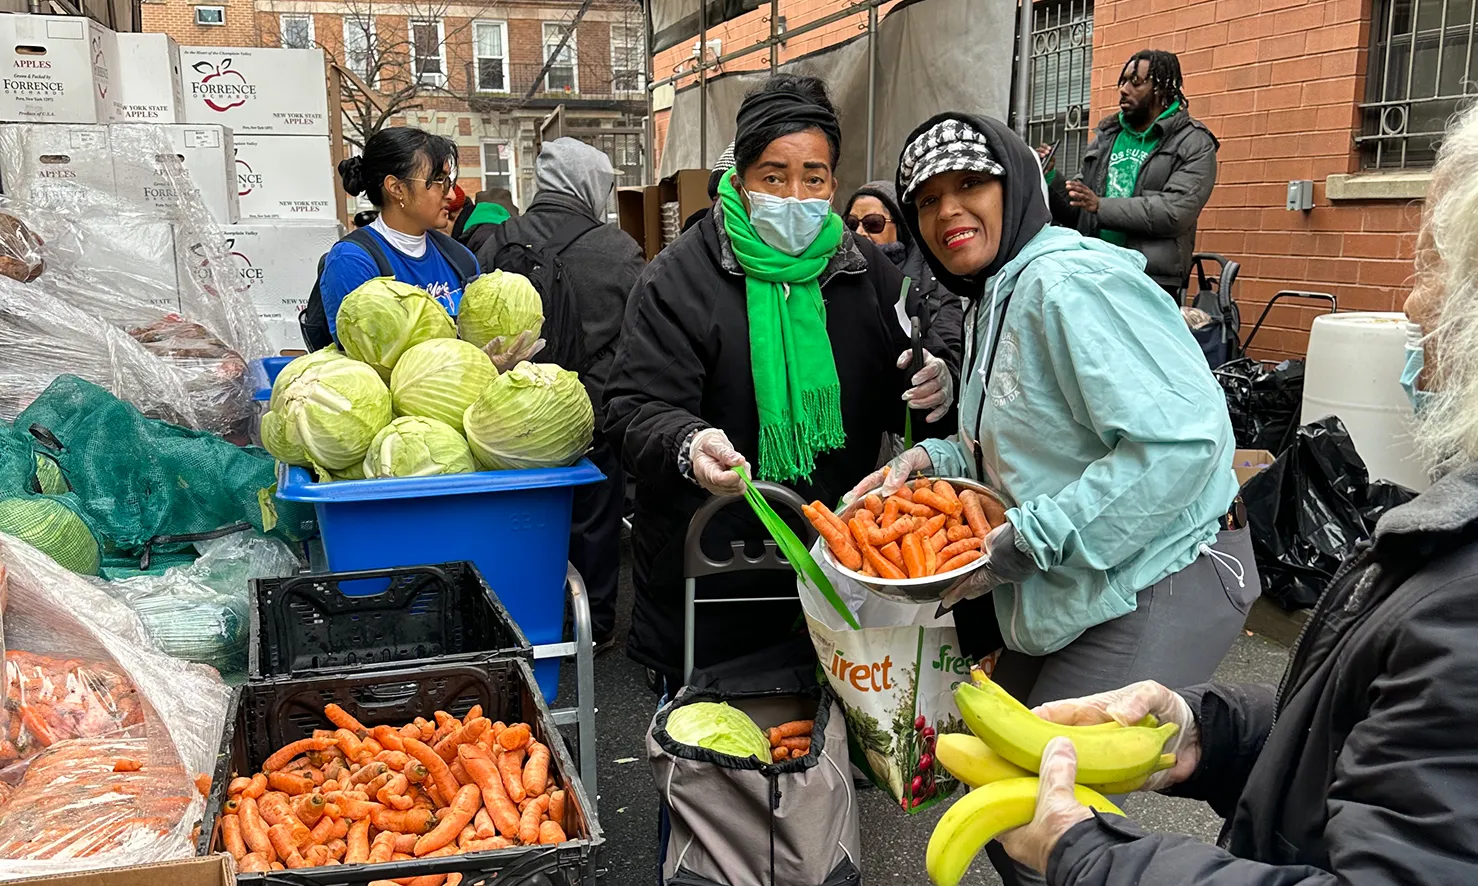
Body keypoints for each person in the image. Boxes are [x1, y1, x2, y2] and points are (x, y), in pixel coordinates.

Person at [991, 105, 1478, 886]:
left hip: (1154, 573)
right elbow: (1359, 741)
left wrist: (1095, 863)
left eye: (1442, 269)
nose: (1416, 306)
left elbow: (1178, 442)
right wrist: (1209, 736)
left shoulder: (1466, 606)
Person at [845, 112, 1251, 883]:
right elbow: (1022, 441)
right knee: (999, 793)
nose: (947, 212)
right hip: (1081, 581)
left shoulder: (1067, 282)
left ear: (1018, 185)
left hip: (1163, 572)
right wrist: (931, 462)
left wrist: (1027, 540)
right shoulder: (996, 290)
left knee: (1052, 827)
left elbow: (1185, 443)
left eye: (971, 184)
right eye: (926, 200)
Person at [604, 74, 956, 688]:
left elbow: (915, 358)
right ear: (739, 180)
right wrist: (688, 444)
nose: (795, 195)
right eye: (774, 176)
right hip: (711, 576)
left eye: (813, 178)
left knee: (828, 759)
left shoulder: (864, 269)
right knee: (715, 763)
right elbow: (633, 406)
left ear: (833, 184)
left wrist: (938, 379)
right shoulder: (678, 279)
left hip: (840, 572)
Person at [468, 136, 646, 654]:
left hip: (503, 414)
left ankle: (514, 620)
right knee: (593, 519)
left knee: (514, 518)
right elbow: (634, 338)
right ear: (592, 185)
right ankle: (593, 628)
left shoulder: (495, 239)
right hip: (585, 410)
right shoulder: (618, 250)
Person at [1043, 50, 1218, 299]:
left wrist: (1100, 206)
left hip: (1148, 280)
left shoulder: (1193, 142)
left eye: (1135, 82)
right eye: (1123, 81)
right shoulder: (1107, 137)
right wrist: (1051, 179)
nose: (1124, 89)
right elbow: (1080, 210)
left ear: (1160, 88)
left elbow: (1175, 212)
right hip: (1092, 271)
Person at [319, 128, 478, 340]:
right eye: (439, 180)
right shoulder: (352, 262)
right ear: (396, 188)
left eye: (449, 181)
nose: (450, 194)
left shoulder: (460, 258)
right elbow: (365, 357)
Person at [843, 181, 964, 370]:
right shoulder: (836, 277)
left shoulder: (939, 281)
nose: (859, 233)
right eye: (851, 224)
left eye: (873, 223)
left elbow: (951, 352)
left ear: (900, 227)